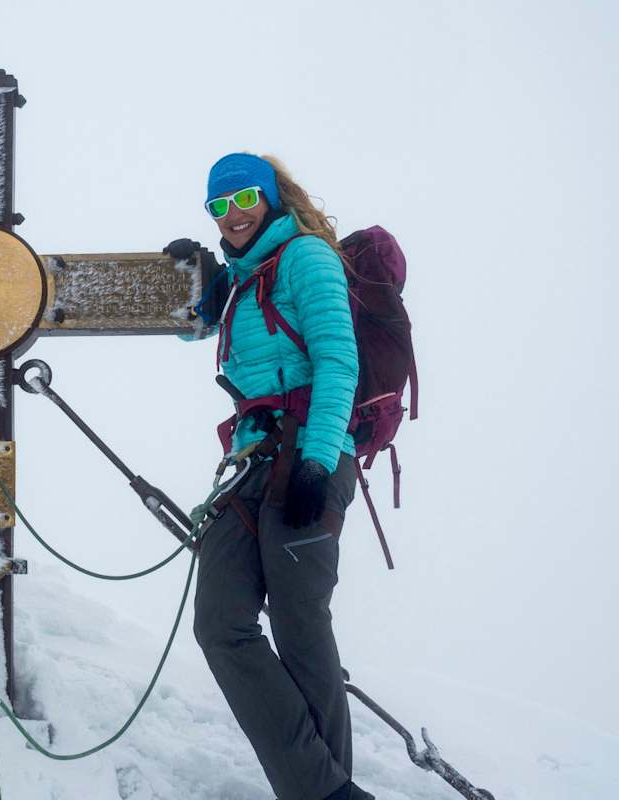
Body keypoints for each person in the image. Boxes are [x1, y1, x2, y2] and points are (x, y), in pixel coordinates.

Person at [166, 153, 373, 800]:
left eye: (244, 199)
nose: (233, 216)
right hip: (252, 460)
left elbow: (339, 360)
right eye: (219, 207)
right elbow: (198, 332)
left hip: (308, 454)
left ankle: (322, 791)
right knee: (219, 623)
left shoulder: (306, 258)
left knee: (299, 622)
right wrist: (190, 279)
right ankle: (324, 788)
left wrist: (317, 460)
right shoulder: (243, 275)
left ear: (272, 197)